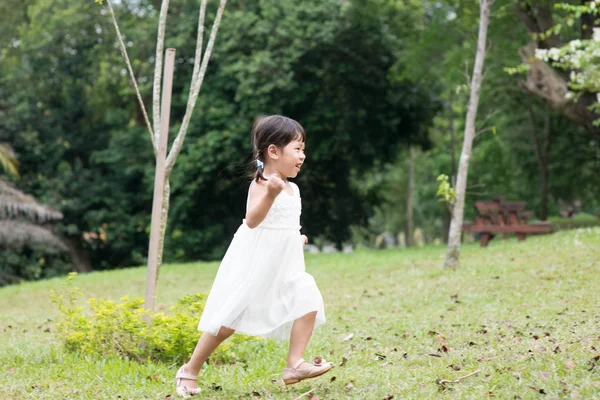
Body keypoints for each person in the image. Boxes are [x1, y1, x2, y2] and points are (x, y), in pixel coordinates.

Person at [175, 115, 332, 398]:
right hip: (255, 262)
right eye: (298, 149)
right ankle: (189, 369)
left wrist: (297, 238)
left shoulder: (293, 189)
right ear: (274, 151)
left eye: (303, 149)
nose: (303, 156)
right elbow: (252, 220)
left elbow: (285, 225)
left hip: (284, 264)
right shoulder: (262, 184)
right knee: (227, 322)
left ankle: (294, 364)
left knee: (308, 295)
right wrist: (270, 194)